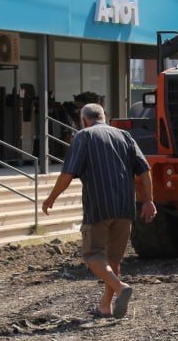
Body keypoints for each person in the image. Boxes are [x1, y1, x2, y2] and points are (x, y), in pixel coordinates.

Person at [42, 103, 156, 320]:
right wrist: (149, 201)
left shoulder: (83, 137)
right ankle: (105, 306)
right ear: (105, 116)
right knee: (114, 260)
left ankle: (121, 288)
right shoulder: (124, 135)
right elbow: (145, 170)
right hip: (125, 206)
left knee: (93, 255)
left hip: (99, 206)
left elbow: (68, 174)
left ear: (84, 120)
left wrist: (51, 198)